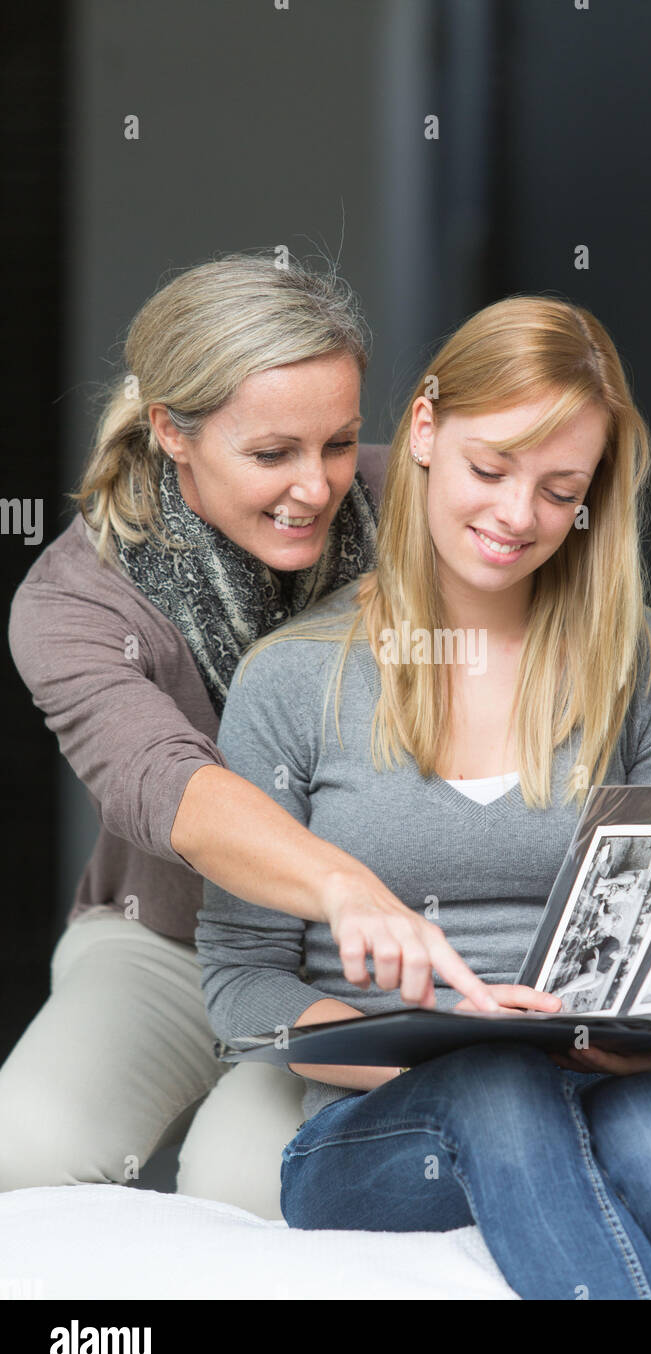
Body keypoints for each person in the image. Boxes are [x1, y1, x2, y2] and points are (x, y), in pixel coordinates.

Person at [195, 294, 651, 1300]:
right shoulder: (293, 677)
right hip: (380, 1122)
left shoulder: (650, 666)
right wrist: (434, 1044)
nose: (517, 517)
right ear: (424, 429)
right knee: (496, 1082)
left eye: (560, 490)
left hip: (596, 1083)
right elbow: (239, 983)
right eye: (490, 469)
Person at [0, 252, 498, 1215]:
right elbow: (168, 785)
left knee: (253, 1182)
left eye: (341, 444)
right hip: (172, 941)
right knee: (23, 1145)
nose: (316, 487)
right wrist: (344, 885)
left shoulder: (418, 515)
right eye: (272, 455)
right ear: (170, 433)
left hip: (370, 963)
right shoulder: (73, 600)